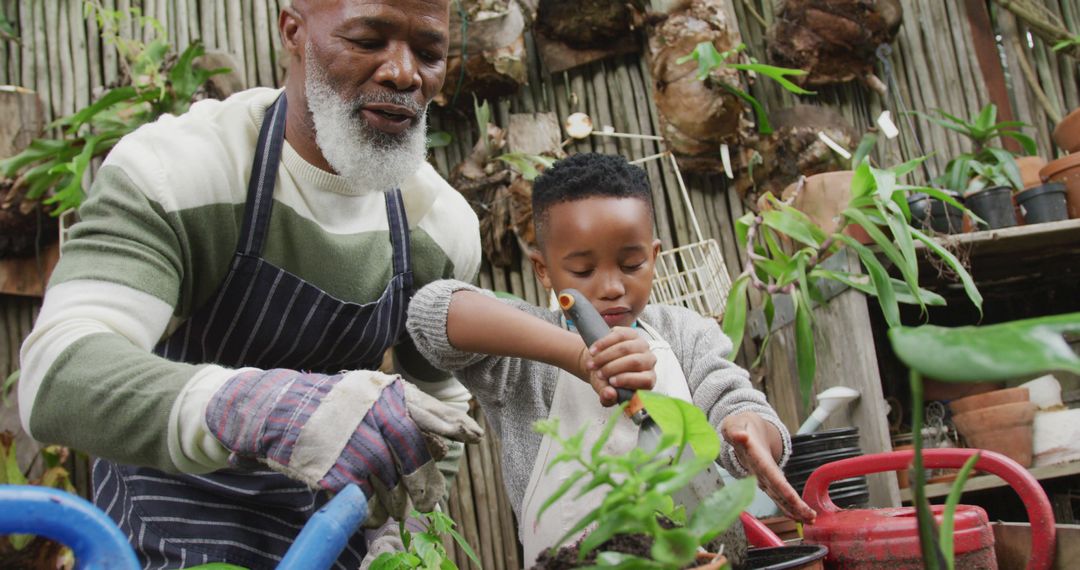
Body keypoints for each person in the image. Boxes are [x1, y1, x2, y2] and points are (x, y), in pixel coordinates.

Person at [17, 0, 484, 568]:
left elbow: (439, 398)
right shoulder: (181, 171)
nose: (404, 73)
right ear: (293, 31)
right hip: (166, 520)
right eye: (368, 40)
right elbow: (58, 373)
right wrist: (263, 409)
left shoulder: (439, 227)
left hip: (330, 535)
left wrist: (410, 532)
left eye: (429, 53)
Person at [406, 153, 817, 566]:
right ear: (543, 270)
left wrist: (750, 429)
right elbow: (431, 314)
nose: (611, 287)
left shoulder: (684, 334)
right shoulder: (521, 362)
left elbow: (736, 402)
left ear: (654, 257)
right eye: (583, 270)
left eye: (631, 264)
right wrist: (579, 356)